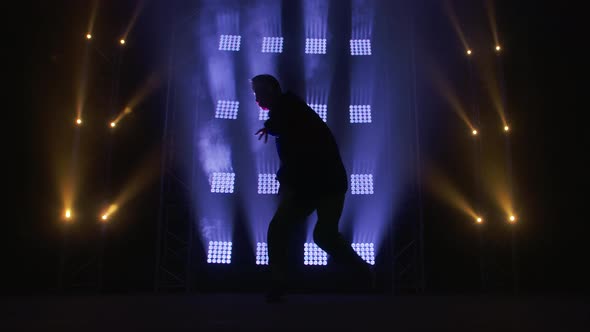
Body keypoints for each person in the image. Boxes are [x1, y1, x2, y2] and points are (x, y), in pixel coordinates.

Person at [251, 74, 373, 302]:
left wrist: (286, 179)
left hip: (326, 183)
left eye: (259, 92)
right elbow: (286, 134)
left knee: (315, 234)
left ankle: (363, 273)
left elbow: (290, 137)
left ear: (273, 89)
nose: (257, 98)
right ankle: (363, 273)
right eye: (255, 93)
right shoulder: (288, 111)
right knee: (310, 233)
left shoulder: (289, 109)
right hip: (318, 184)